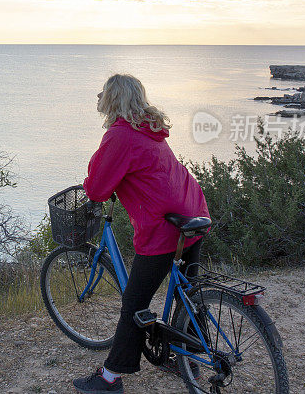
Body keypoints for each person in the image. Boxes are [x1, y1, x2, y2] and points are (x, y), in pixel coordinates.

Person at [72, 74, 210, 394]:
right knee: (188, 290)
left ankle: (109, 378)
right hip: (194, 213)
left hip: (165, 228)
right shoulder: (151, 127)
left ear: (111, 99)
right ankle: (185, 357)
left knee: (134, 303)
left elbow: (96, 188)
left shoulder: (120, 135)